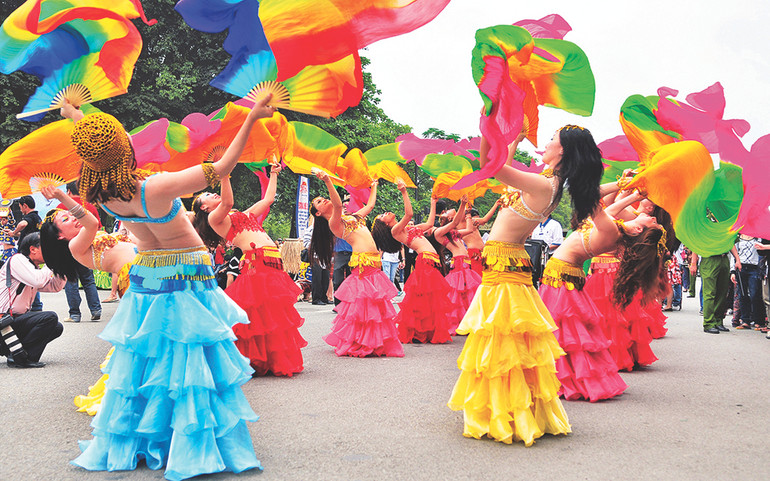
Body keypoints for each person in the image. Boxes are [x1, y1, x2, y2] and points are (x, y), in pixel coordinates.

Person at [62, 95, 275, 479]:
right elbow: (224, 165)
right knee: (190, 364)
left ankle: (149, 438)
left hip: (146, 275)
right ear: (124, 149)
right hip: (186, 271)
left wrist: (75, 114)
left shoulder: (99, 191)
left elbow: (103, 145)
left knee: (147, 362)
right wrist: (253, 117)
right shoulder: (156, 188)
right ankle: (190, 446)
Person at [448, 125, 604, 446]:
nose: (545, 144)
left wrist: (487, 124)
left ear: (562, 152)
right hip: (509, 262)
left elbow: (490, 167)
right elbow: (500, 171)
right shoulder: (549, 182)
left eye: (551, 140)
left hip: (506, 265)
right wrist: (514, 139)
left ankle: (506, 412)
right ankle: (513, 409)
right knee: (509, 342)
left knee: (502, 343)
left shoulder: (544, 184)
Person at [192, 165, 307, 377]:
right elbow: (228, 202)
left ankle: (270, 360)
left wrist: (273, 173)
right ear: (205, 208)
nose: (212, 193)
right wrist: (225, 175)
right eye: (207, 195)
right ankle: (247, 360)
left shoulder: (243, 216)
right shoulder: (214, 220)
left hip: (272, 265)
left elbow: (268, 199)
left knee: (271, 318)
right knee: (256, 318)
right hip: (257, 267)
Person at [39, 186, 139, 414]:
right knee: (139, 343)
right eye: (66, 219)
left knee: (149, 340)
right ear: (60, 236)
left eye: (71, 214)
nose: (73, 218)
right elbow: (92, 222)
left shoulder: (90, 237)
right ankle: (130, 395)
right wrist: (61, 196)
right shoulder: (76, 246)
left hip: (144, 272)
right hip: (134, 282)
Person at [310, 172, 403, 357]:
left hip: (374, 264)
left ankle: (374, 341)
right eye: (319, 202)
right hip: (362, 265)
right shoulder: (333, 223)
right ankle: (362, 342)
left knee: (374, 309)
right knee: (364, 309)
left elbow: (370, 205)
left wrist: (374, 185)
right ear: (318, 213)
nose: (323, 200)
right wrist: (328, 180)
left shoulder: (355, 217)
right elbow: (337, 204)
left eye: (322, 198)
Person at [371, 180, 455, 344]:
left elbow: (430, 223)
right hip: (425, 262)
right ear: (385, 224)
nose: (385, 213)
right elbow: (408, 214)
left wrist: (433, 202)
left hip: (429, 261)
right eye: (382, 216)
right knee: (425, 299)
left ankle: (425, 331)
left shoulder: (407, 229)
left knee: (429, 299)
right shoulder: (396, 231)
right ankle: (419, 332)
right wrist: (403, 191)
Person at [0, 232, 67, 368]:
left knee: (56, 327)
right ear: (32, 249)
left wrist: (62, 267)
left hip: (13, 323)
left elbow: (54, 286)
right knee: (49, 317)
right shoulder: (17, 260)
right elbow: (37, 280)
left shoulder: (32, 268)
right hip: (4, 323)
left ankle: (19, 353)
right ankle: (20, 357)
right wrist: (52, 261)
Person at [691, 241, 740, 334]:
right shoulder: (705, 226)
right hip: (709, 258)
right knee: (709, 293)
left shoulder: (723, 226)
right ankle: (709, 323)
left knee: (722, 292)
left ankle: (718, 321)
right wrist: (693, 263)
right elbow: (696, 242)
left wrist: (737, 259)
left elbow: (730, 241)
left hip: (724, 258)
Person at [732, 234, 766, 330]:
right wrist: (732, 271)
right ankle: (745, 320)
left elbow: (762, 253)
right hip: (741, 267)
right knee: (742, 294)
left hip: (754, 268)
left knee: (755, 294)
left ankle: (758, 320)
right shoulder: (738, 237)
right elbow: (733, 254)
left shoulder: (758, 236)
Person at [0, 199, 17, 266]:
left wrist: (9, 212)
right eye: (1, 220)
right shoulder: (1, 228)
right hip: (5, 252)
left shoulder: (10, 227)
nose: (2, 221)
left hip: (11, 251)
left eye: (4, 220)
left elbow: (12, 221)